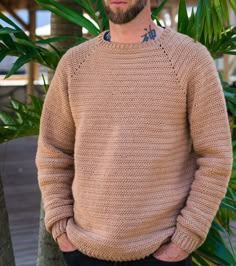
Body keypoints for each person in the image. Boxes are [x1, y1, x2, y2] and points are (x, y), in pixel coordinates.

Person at [35, 0, 233, 265]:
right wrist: (60, 227)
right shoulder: (74, 64)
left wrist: (185, 238)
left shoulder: (190, 59)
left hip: (163, 252)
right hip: (83, 250)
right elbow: (53, 151)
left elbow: (215, 157)